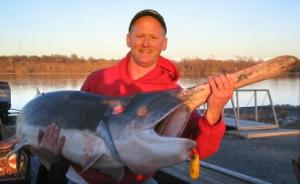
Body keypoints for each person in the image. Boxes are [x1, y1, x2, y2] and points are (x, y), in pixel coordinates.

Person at [35, 9, 234, 184]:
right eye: (140, 35)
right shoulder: (98, 80)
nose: (146, 43)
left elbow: (200, 149)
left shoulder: (174, 94)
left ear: (164, 43)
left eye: (154, 37)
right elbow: (68, 132)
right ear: (128, 39)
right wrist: (49, 154)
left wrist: (214, 110)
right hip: (83, 179)